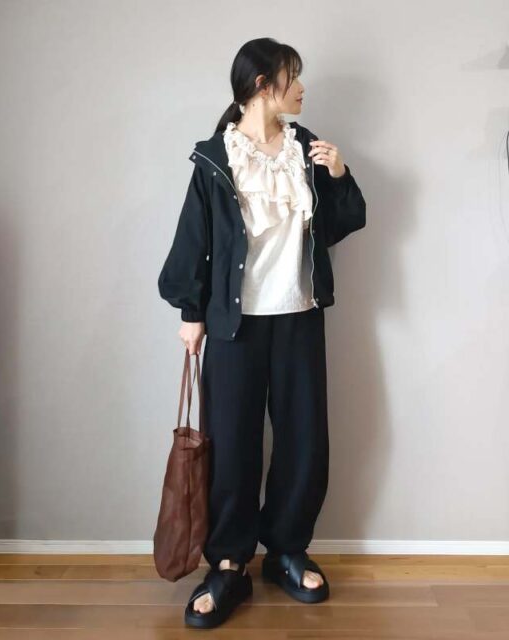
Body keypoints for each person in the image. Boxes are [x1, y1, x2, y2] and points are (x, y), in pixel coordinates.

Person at [157, 37, 367, 629]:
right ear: (261, 85)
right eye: (292, 77)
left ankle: (287, 551)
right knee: (231, 443)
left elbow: (343, 224)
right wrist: (191, 312)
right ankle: (228, 562)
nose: (301, 88)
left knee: (304, 437)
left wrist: (339, 174)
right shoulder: (215, 158)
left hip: (299, 315)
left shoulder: (306, 148)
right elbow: (194, 238)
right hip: (234, 325)